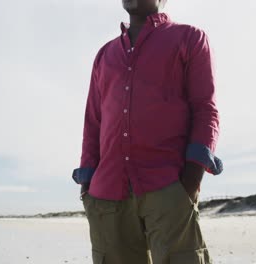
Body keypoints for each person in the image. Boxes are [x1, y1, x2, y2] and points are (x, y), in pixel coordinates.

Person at [71, 0, 223, 263]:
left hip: (168, 186)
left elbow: (205, 109)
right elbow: (93, 122)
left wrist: (190, 180)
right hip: (107, 194)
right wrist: (87, 186)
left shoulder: (189, 38)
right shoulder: (105, 55)